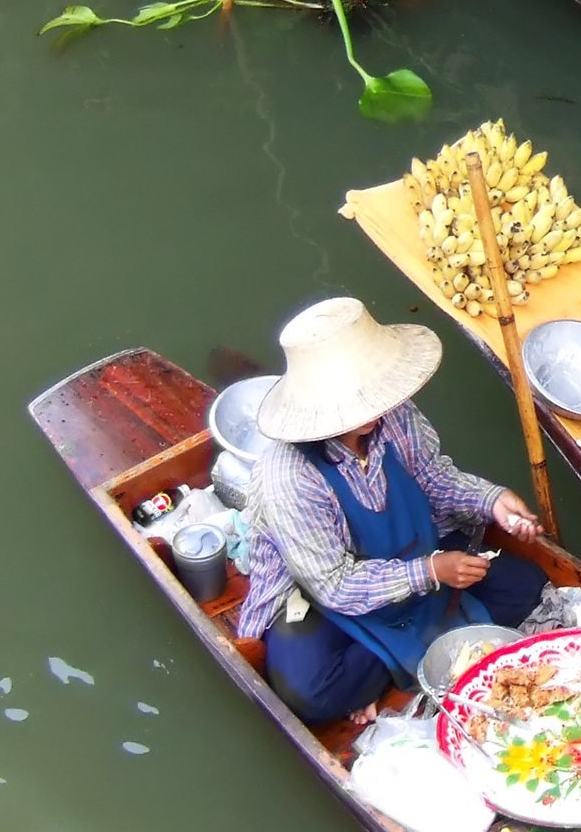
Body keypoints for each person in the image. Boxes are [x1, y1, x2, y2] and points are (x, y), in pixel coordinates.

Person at [235, 297, 549, 725]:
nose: (373, 412)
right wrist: (432, 571)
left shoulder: (391, 416)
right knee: (312, 696)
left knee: (526, 585)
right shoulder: (289, 477)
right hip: (325, 598)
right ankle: (407, 657)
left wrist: (491, 500)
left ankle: (392, 665)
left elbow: (434, 479)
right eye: (357, 404)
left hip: (411, 555)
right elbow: (333, 585)